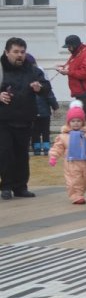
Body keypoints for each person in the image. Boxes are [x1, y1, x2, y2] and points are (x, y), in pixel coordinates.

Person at [0, 37, 50, 200]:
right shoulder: (1, 69)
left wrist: (39, 87)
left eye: (22, 52)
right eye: (15, 52)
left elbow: (46, 86)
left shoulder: (32, 70)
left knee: (22, 154)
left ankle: (21, 186)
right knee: (6, 153)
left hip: (25, 118)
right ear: (7, 52)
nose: (19, 55)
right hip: (3, 120)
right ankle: (6, 186)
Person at [57, 34, 86, 136]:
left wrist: (68, 72)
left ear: (75, 45)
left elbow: (85, 73)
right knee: (83, 117)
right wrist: (63, 67)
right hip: (80, 91)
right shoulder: (76, 54)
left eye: (69, 47)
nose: (68, 49)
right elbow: (71, 66)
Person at [31, 63, 59, 156]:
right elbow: (51, 97)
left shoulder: (29, 86)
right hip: (45, 114)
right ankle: (46, 148)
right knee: (45, 131)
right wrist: (55, 108)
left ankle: (37, 149)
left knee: (35, 132)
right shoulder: (46, 86)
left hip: (34, 114)